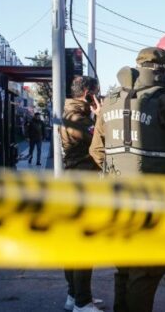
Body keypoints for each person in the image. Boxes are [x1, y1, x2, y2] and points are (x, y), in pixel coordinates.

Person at [90, 47, 165, 312]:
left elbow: (95, 151)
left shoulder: (110, 102)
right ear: (163, 71)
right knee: (147, 271)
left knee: (125, 269)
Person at [60, 75, 104, 312]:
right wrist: (101, 117)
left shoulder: (73, 113)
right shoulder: (77, 118)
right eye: (96, 92)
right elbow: (98, 140)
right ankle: (82, 302)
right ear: (88, 93)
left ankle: (74, 295)